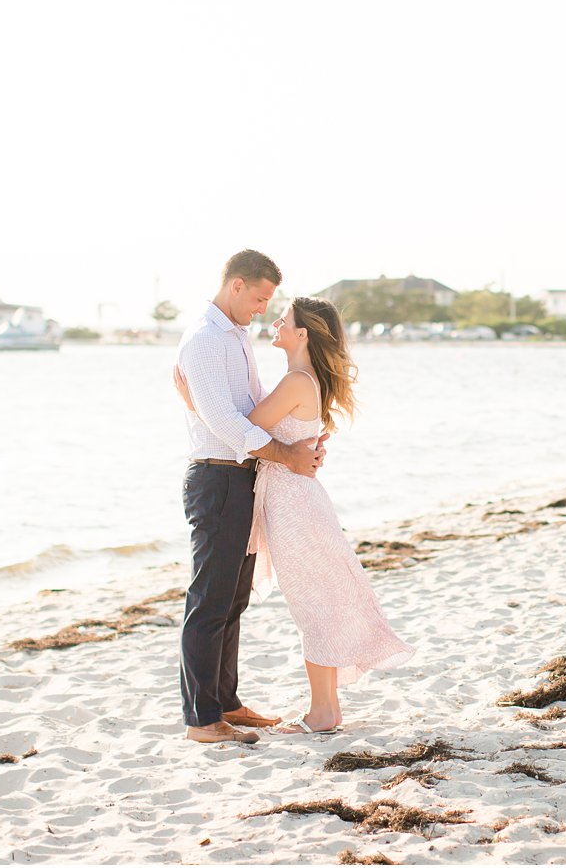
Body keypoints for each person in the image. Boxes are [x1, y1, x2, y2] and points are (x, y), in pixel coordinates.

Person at [174, 296, 413, 735]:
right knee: (314, 600)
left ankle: (324, 711)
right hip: (292, 498)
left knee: (312, 602)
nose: (275, 321)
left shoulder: (296, 382)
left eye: (284, 319)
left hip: (293, 505)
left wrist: (194, 403)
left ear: (302, 334)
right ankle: (324, 707)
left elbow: (242, 425)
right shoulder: (299, 379)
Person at [175, 249, 328, 745]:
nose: (264, 309)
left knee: (233, 598)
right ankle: (202, 719)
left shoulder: (235, 337)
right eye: (260, 297)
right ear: (236, 285)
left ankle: (227, 703)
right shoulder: (204, 340)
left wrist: (301, 442)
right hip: (217, 478)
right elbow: (225, 423)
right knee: (209, 599)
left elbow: (250, 409)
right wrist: (288, 455)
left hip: (242, 478)